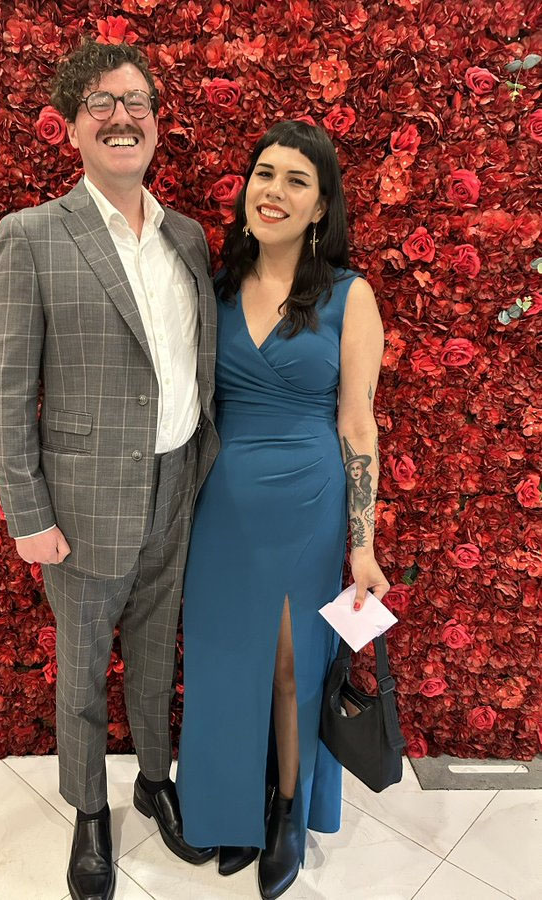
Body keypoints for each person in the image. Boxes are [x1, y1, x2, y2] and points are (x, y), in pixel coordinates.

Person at [0, 40, 219, 900]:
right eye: (100, 104)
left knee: (158, 650)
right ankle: (90, 811)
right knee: (83, 665)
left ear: (156, 124)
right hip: (80, 505)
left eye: (135, 104)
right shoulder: (33, 236)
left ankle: (154, 782)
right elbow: (7, 392)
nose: (121, 118)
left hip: (177, 485)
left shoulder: (187, 237)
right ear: (73, 128)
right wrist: (27, 513)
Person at [176, 120, 390, 900]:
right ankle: (227, 810)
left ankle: (287, 811)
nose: (273, 190)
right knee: (222, 661)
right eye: (263, 173)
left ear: (320, 206)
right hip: (219, 504)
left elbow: (358, 423)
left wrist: (362, 545)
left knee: (291, 667)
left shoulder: (348, 294)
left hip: (307, 500)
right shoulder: (215, 284)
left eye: (296, 180)